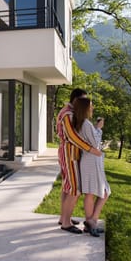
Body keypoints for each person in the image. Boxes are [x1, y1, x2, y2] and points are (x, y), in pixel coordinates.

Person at [56, 88, 102, 234]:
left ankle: (64, 217)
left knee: (67, 187)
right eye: (82, 100)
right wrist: (90, 149)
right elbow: (72, 137)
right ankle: (66, 223)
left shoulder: (67, 112)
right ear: (75, 100)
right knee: (75, 189)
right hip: (69, 153)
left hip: (69, 152)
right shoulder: (67, 114)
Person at [72, 97, 111, 237]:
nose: (92, 108)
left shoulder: (81, 123)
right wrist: (99, 129)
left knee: (101, 192)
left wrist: (95, 129)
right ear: (85, 108)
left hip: (90, 160)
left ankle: (91, 221)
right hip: (91, 160)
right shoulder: (86, 124)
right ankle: (91, 222)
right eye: (91, 106)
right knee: (93, 192)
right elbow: (94, 143)